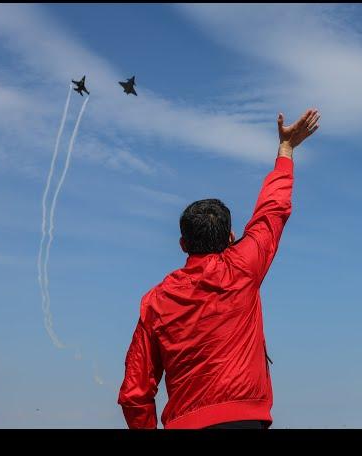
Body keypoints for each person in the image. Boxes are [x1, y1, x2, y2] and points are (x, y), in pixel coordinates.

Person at [117, 108, 321, 429]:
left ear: (183, 244)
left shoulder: (155, 302)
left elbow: (135, 392)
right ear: (231, 237)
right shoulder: (244, 265)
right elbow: (272, 210)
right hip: (246, 420)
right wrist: (285, 151)